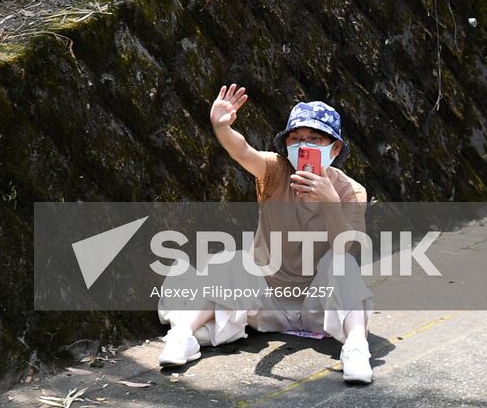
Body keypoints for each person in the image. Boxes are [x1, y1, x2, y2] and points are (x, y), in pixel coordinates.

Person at [156, 84, 374, 384]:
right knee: (231, 261)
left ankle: (356, 348)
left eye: (315, 139)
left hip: (318, 304)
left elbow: (346, 247)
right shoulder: (275, 171)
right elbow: (242, 151)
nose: (304, 146)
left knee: (343, 265)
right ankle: (181, 336)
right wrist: (222, 127)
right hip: (267, 299)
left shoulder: (351, 191)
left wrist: (329, 201)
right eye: (296, 140)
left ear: (334, 149)